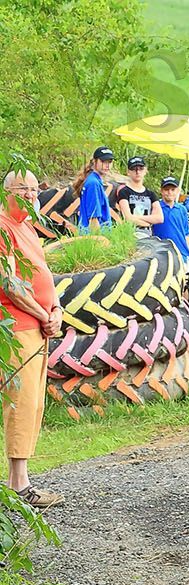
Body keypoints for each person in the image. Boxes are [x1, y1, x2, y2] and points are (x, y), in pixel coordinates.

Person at [0, 171, 64, 508]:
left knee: (35, 401)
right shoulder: (2, 227)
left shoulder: (27, 227)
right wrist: (43, 314)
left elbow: (43, 275)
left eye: (36, 188)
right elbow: (9, 284)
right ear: (8, 190)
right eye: (24, 188)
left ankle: (17, 482)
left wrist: (56, 309)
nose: (31, 194)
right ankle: (20, 484)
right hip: (18, 324)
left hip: (39, 323)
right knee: (21, 400)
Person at [113, 155, 162, 238]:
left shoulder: (151, 194)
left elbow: (159, 218)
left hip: (147, 234)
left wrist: (136, 218)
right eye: (134, 169)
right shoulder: (124, 192)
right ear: (128, 172)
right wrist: (147, 222)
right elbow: (127, 218)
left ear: (145, 171)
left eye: (140, 169)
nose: (137, 172)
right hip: (130, 234)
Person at [152, 176, 189, 263]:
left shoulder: (182, 209)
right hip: (162, 252)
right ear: (161, 191)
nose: (169, 192)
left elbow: (186, 235)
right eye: (166, 189)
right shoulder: (156, 207)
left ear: (177, 191)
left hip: (182, 253)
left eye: (172, 189)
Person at [74, 146, 115, 232]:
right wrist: (99, 241)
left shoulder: (93, 180)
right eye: (103, 161)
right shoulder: (93, 184)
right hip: (94, 236)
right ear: (94, 162)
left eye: (110, 162)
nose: (107, 165)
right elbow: (93, 219)